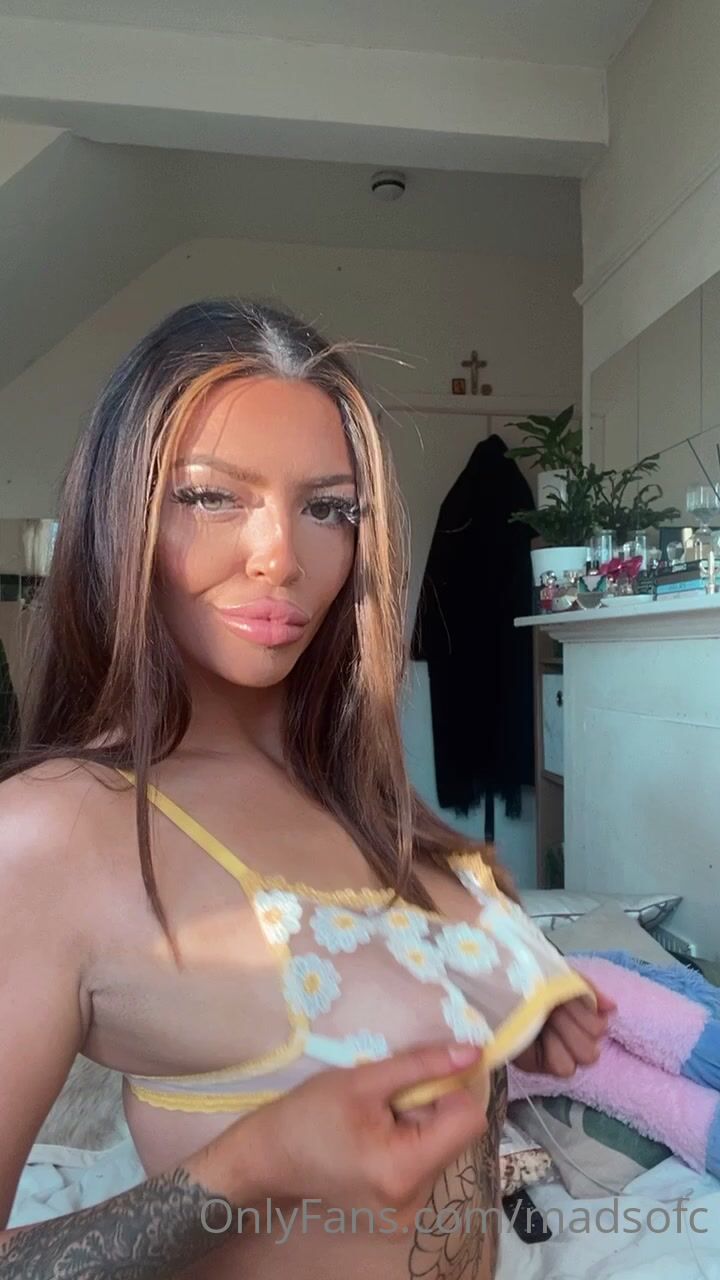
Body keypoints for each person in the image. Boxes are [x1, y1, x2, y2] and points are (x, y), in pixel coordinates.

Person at [0, 300, 613, 1279]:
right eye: (212, 496)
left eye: (329, 508)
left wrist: (505, 1005)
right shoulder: (50, 832)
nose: (281, 556)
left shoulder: (354, 783)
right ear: (121, 513)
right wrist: (255, 1162)